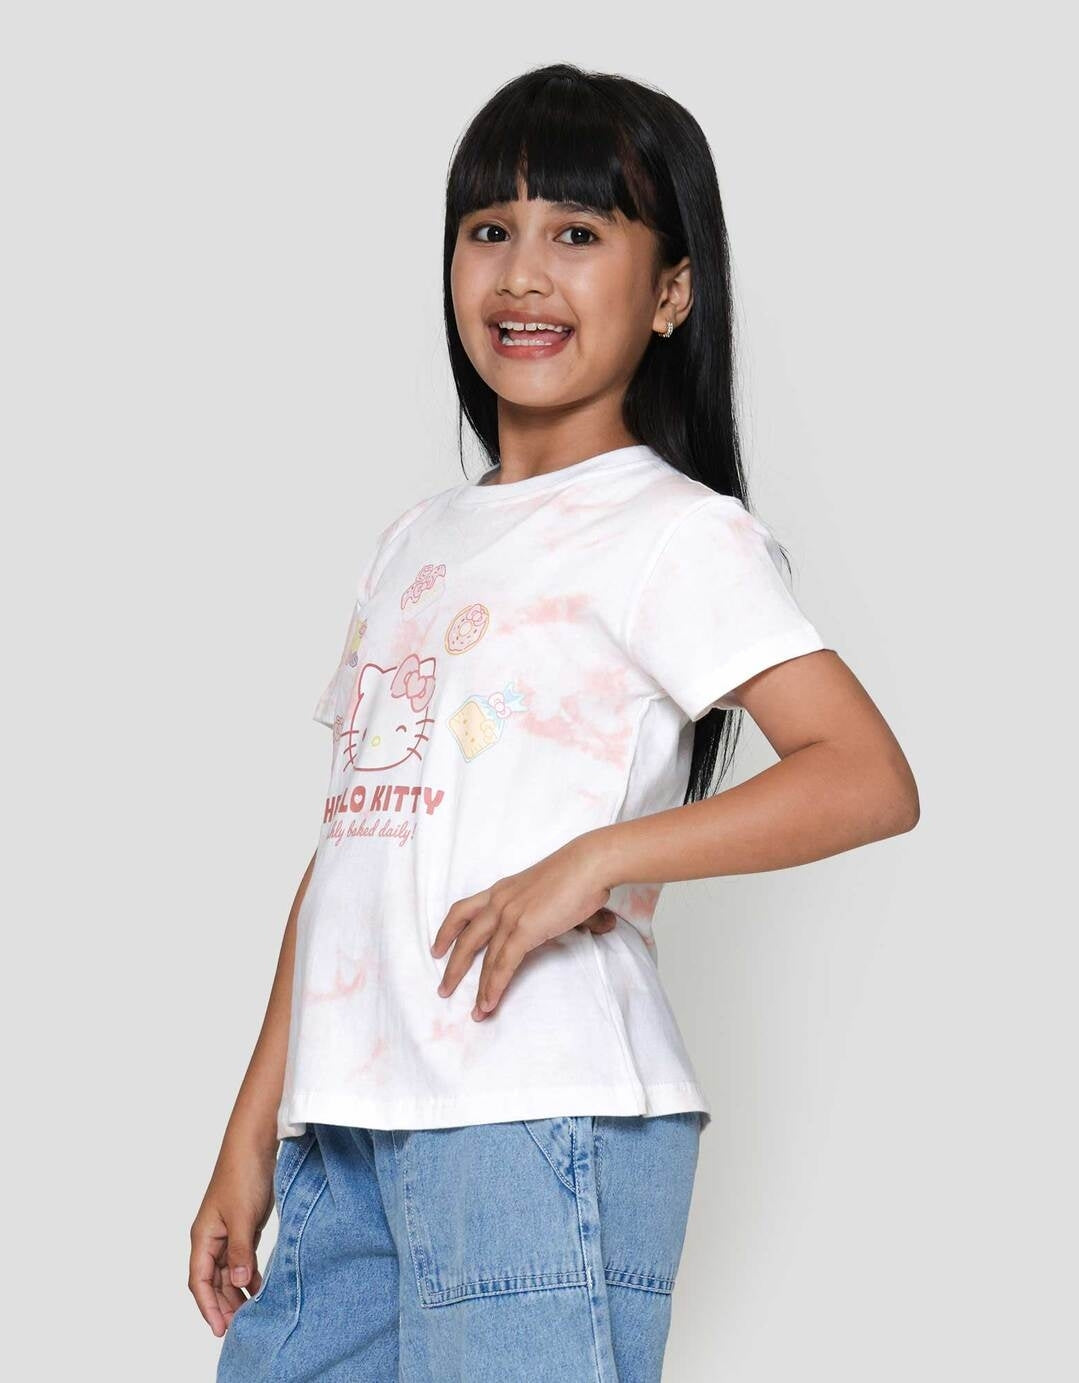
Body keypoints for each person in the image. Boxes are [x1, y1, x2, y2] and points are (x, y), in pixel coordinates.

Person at [190, 62, 920, 1382]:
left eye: (578, 233)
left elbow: (866, 775)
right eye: (490, 229)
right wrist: (252, 1132)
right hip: (347, 1128)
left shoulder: (672, 534)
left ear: (672, 293)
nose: (523, 272)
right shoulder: (414, 541)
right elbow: (354, 843)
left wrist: (596, 860)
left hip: (537, 1116)